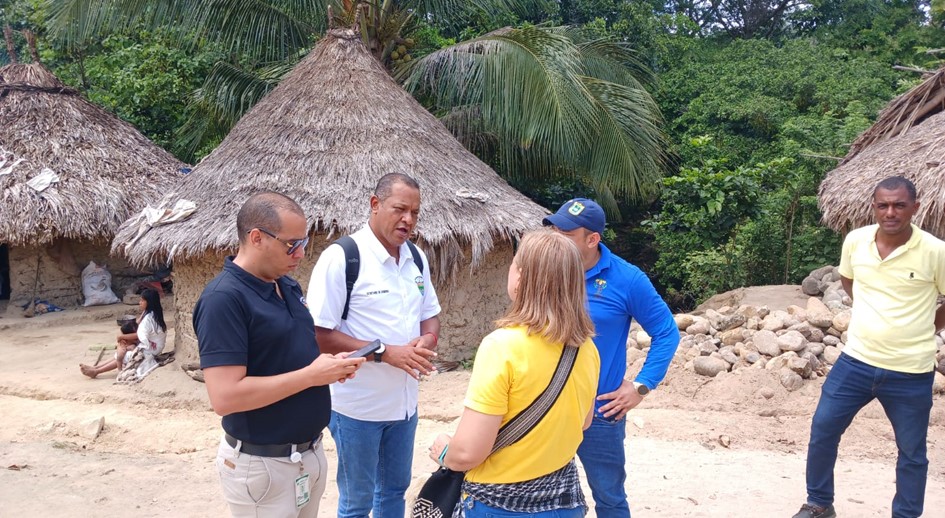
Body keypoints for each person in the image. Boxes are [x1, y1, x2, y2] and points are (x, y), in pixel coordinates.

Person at [193, 192, 365, 518]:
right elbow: (225, 396)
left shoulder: (286, 286)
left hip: (306, 455)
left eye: (303, 243)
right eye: (291, 244)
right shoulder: (224, 300)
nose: (301, 253)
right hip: (263, 465)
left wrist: (330, 368)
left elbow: (293, 356)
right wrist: (312, 376)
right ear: (257, 237)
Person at [792, 176, 945, 518]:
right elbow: (849, 279)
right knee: (823, 431)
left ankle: (905, 514)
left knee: (911, 452)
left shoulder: (935, 251)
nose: (890, 212)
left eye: (899, 205)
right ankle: (818, 504)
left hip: (910, 370)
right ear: (874, 207)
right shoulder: (856, 241)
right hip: (856, 361)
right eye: (883, 205)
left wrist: (928, 326)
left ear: (915, 208)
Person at [427, 228, 600, 517]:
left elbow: (468, 453)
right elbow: (583, 422)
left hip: (499, 505)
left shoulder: (502, 346)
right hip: (563, 503)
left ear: (520, 278)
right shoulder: (586, 349)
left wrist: (445, 451)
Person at [307, 172, 441, 518]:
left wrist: (427, 339)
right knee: (357, 503)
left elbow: (431, 314)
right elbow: (318, 333)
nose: (408, 219)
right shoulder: (342, 258)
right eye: (399, 209)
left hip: (405, 406)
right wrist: (384, 352)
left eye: (414, 212)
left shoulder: (416, 258)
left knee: (394, 493)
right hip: (357, 408)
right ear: (374, 205)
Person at [543, 198, 680, 518]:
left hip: (601, 410)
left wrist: (641, 386)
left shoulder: (628, 279)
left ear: (593, 240)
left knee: (609, 496)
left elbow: (667, 333)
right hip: (546, 405)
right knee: (541, 494)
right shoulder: (546, 272)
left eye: (567, 233)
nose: (556, 238)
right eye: (555, 230)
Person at [80, 288, 167, 378]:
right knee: (122, 350)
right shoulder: (151, 313)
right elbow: (138, 324)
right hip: (153, 345)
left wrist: (121, 337)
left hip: (152, 349)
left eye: (142, 300)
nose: (140, 302)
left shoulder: (149, 319)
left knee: (124, 354)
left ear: (149, 302)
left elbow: (139, 335)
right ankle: (96, 367)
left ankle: (97, 371)